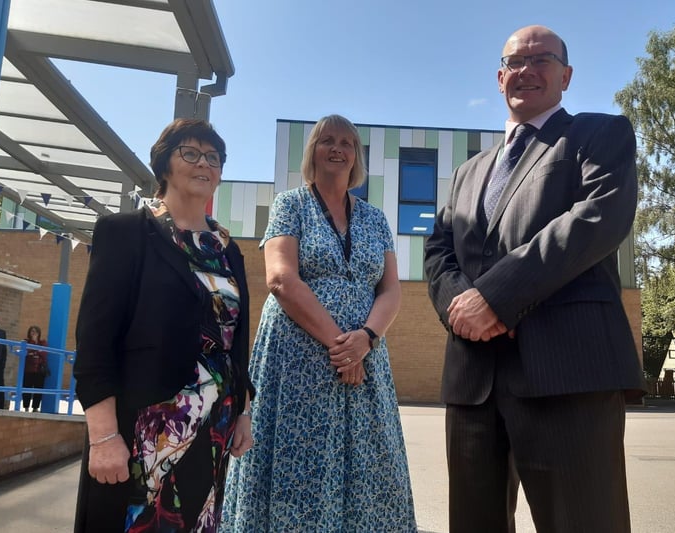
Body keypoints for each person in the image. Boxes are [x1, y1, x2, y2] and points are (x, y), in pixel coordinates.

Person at [424, 25, 647, 533]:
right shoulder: (468, 171)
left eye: (541, 59)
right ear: (500, 77)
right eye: (515, 62)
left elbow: (599, 218)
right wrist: (465, 309)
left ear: (566, 76)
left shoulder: (598, 134)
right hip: (474, 381)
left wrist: (496, 298)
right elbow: (438, 249)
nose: (526, 70)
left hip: (566, 377)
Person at [221, 114, 416, 532]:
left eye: (347, 142)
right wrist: (341, 347)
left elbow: (391, 290)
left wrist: (365, 339)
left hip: (365, 358)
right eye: (327, 140)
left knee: (369, 457)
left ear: (356, 156)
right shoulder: (290, 204)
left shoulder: (375, 219)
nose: (337, 148)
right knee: (300, 454)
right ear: (312, 150)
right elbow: (281, 278)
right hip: (298, 358)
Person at [73, 118, 254, 533]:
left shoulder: (228, 250)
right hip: (146, 429)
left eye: (213, 158)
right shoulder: (127, 233)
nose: (204, 164)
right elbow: (96, 339)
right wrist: (102, 438)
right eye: (190, 153)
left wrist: (243, 409)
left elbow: (236, 339)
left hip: (215, 426)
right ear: (164, 164)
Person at [22, 325, 48, 412]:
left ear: (39, 333)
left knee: (38, 389)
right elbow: (27, 352)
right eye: (32, 331)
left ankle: (35, 407)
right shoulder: (26, 341)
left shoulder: (43, 342)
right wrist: (33, 343)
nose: (34, 333)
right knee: (26, 388)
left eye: (36, 331)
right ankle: (26, 407)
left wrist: (33, 352)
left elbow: (44, 354)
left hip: (39, 370)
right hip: (28, 369)